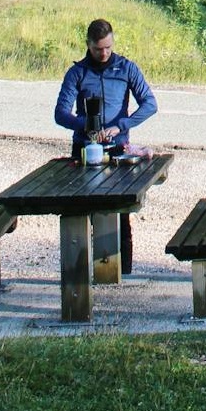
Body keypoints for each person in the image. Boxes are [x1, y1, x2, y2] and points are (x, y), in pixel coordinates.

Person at [54, 18, 158, 274]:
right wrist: (85, 125)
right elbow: (60, 113)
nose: (104, 53)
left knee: (120, 213)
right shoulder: (77, 73)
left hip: (118, 152)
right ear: (88, 44)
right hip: (85, 152)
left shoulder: (126, 68)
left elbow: (150, 104)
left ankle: (122, 272)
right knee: (82, 211)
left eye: (108, 48)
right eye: (99, 48)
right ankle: (81, 270)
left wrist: (121, 125)